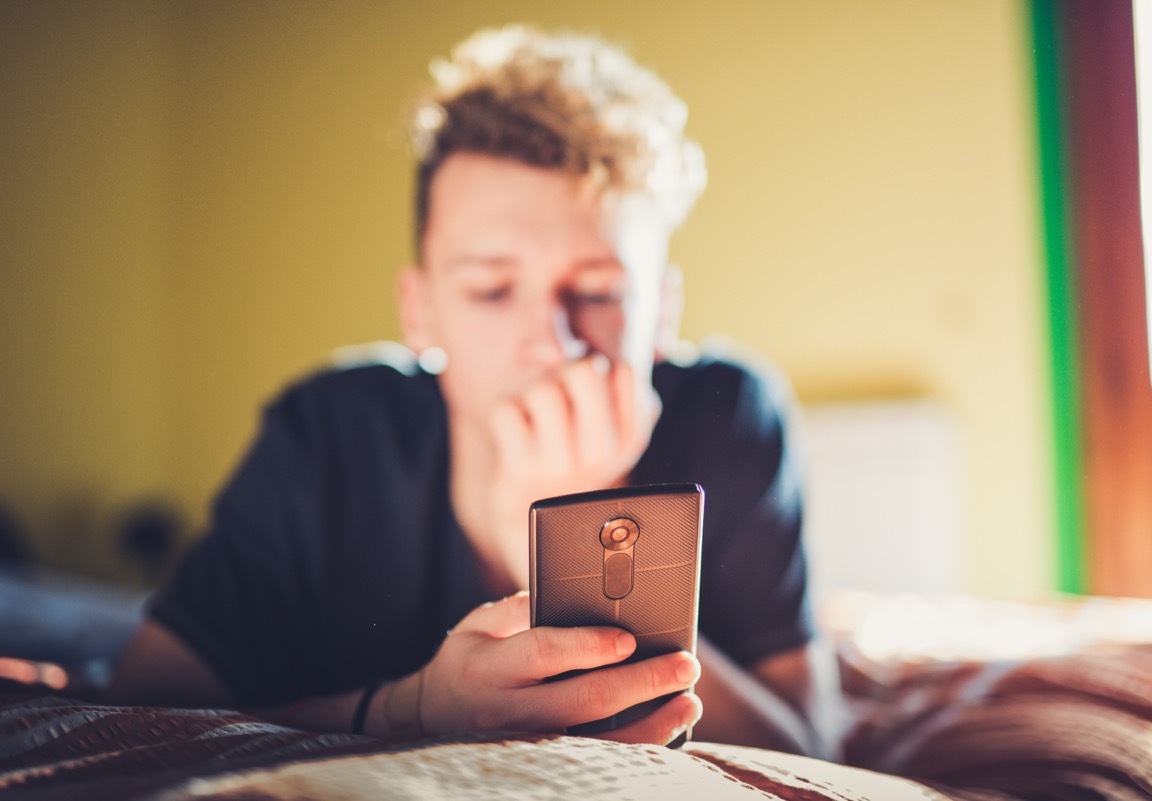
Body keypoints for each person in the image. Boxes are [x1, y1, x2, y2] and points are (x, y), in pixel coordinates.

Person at [108, 25, 842, 757]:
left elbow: (812, 750)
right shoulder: (330, 434)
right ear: (420, 310)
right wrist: (410, 708)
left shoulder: (732, 413)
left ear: (664, 314)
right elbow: (133, 715)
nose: (551, 341)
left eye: (598, 291)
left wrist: (566, 554)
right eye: (491, 289)